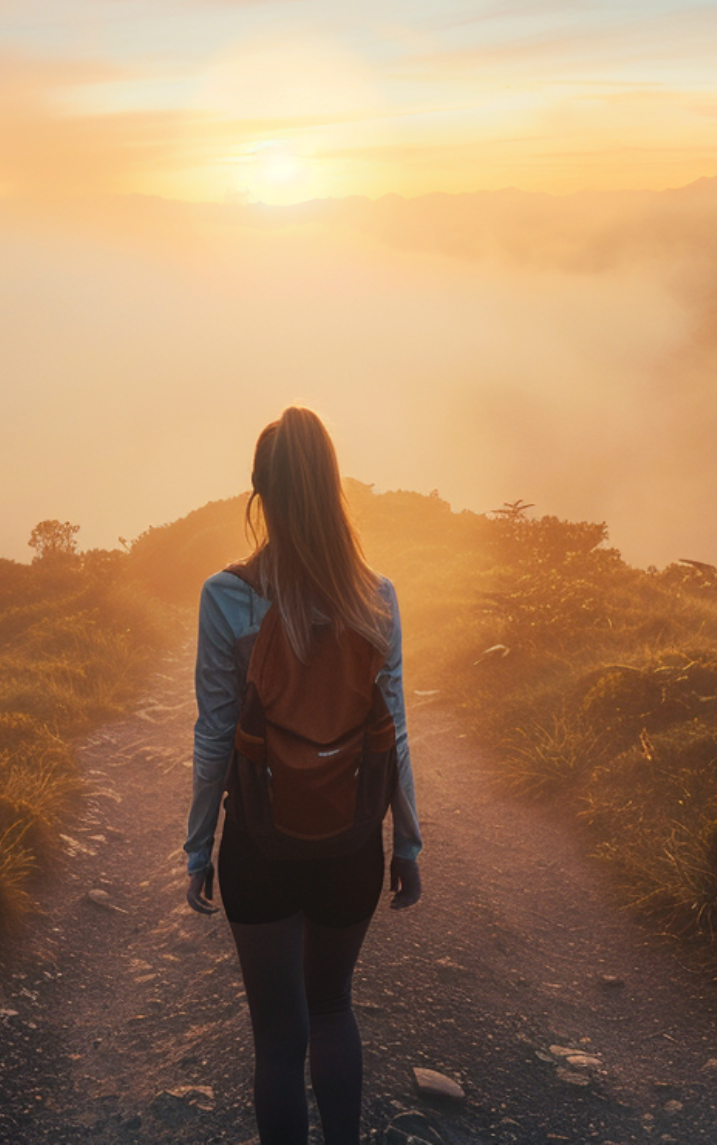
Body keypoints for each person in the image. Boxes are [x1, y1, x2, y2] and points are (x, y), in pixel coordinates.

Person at [184, 406, 423, 1145]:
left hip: (260, 844)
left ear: (259, 494)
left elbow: (215, 734)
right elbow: (397, 732)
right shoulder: (373, 598)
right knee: (332, 1011)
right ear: (332, 488)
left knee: (278, 1042)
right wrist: (407, 843)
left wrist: (198, 847)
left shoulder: (227, 597)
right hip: (351, 840)